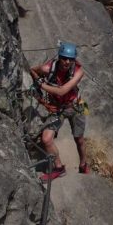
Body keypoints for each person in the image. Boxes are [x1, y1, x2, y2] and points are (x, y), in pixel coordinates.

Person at [30, 41, 88, 181]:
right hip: (57, 107)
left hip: (78, 105)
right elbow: (32, 70)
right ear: (59, 57)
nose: (67, 62)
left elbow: (62, 91)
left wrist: (41, 84)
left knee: (79, 139)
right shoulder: (48, 68)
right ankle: (58, 168)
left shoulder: (79, 71)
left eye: (70, 59)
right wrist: (42, 98)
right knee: (46, 138)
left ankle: (83, 165)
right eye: (64, 58)